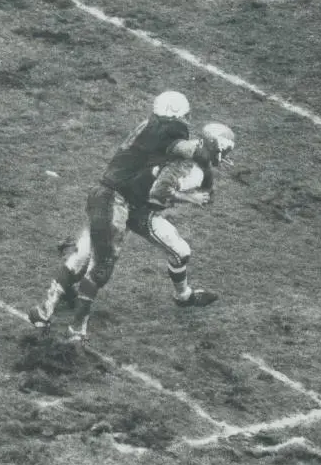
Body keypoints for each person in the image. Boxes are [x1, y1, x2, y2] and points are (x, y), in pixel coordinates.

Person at [28, 91, 234, 342]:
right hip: (119, 200)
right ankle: (76, 329)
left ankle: (44, 310)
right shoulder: (166, 134)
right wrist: (207, 156)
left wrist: (205, 160)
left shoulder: (150, 127)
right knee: (100, 267)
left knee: (82, 256)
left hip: (110, 194)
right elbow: (176, 164)